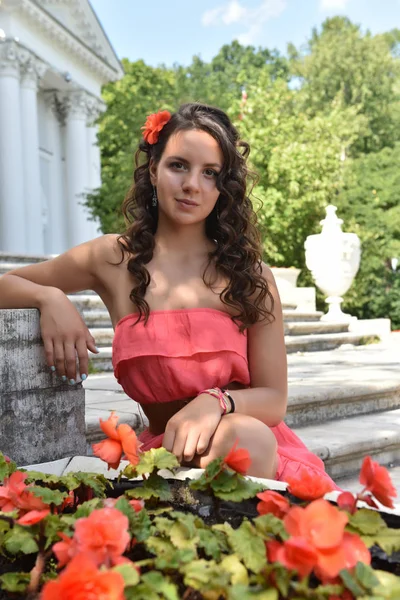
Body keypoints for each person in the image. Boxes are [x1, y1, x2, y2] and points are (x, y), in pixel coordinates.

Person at [0, 103, 337, 487]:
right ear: (154, 170)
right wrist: (50, 299)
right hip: (163, 458)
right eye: (179, 165)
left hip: (253, 451)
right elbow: (6, 284)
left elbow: (274, 400)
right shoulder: (112, 258)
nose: (193, 184)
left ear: (222, 188)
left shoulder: (251, 276)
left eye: (210, 173)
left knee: (247, 436)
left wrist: (216, 401)